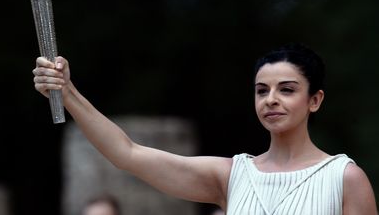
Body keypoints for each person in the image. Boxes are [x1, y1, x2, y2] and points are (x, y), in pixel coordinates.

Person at [33, 43, 378, 214]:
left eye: (286, 89)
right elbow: (128, 153)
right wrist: (68, 93)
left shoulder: (344, 178)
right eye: (262, 91)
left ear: (314, 100)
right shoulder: (231, 175)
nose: (271, 100)